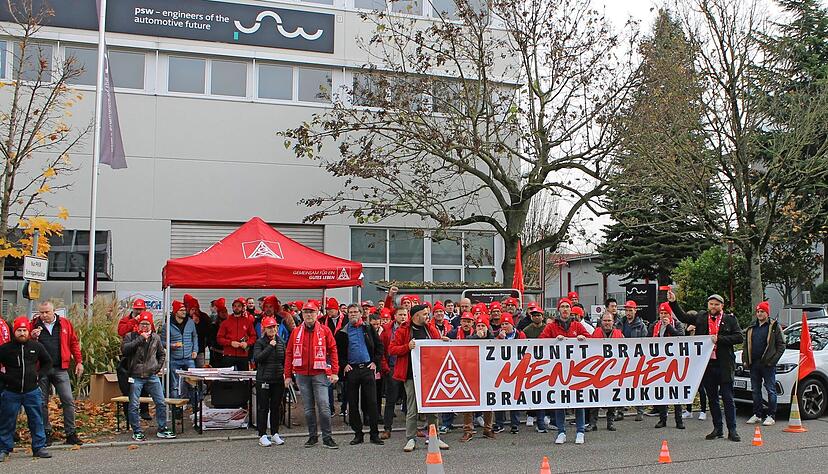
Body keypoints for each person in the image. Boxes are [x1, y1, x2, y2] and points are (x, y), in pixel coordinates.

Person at [668, 291, 743, 442]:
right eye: (711, 304)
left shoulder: (729, 320)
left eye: (716, 304)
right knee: (712, 398)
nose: (713, 307)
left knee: (727, 398)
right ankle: (717, 429)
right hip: (707, 365)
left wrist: (719, 339)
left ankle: (732, 430)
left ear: (722, 306)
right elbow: (683, 317)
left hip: (724, 365)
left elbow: (739, 337)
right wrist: (673, 302)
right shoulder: (701, 317)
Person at [388, 304, 448, 453]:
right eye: (425, 314)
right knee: (412, 408)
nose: (428, 316)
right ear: (416, 316)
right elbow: (392, 349)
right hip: (410, 375)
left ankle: (435, 437)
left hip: (429, 375)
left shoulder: (430, 328)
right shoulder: (403, 330)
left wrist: (443, 340)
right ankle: (410, 438)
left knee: (433, 408)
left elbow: (436, 343)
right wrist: (407, 347)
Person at [284, 301, 340, 449]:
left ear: (317, 314)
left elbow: (333, 350)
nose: (308, 315)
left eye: (312, 312)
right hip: (302, 374)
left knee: (324, 406)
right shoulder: (296, 332)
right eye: (306, 312)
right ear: (302, 315)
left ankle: (327, 437)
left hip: (320, 373)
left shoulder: (325, 330)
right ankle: (312, 436)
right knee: (308, 408)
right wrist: (288, 375)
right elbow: (289, 353)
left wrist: (334, 372)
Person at [30, 301, 83, 446]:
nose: (44, 315)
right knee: (42, 402)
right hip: (42, 370)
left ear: (54, 311)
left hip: (60, 368)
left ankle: (71, 433)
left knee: (68, 400)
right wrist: (32, 337)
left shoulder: (64, 324)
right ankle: (45, 433)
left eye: (47, 312)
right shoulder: (33, 325)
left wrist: (79, 361)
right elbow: (26, 345)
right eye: (41, 312)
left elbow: (73, 342)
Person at [0, 317, 53, 461]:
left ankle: (39, 447)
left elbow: (48, 362)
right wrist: (5, 379)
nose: (22, 333)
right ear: (14, 332)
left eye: (24, 330)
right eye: (19, 330)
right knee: (7, 421)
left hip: (32, 391)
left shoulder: (36, 347)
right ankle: (4, 449)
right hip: (11, 392)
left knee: (36, 419)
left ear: (28, 331)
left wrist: (39, 375)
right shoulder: (5, 349)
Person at [540, 298, 590, 444]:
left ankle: (580, 431)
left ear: (571, 309)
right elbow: (541, 340)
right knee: (560, 401)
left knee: (578, 400)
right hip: (558, 370)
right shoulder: (552, 327)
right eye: (562, 307)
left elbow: (591, 339)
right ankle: (561, 431)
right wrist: (554, 340)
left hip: (576, 370)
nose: (565, 309)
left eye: (567, 306)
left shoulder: (577, 325)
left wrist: (583, 338)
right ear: (559, 310)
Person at [335, 304, 385, 446]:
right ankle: (358, 434)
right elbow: (338, 352)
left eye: (355, 312)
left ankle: (374, 434)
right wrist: (344, 364)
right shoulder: (342, 333)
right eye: (350, 312)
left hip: (368, 369)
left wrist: (375, 362)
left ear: (361, 313)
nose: (353, 314)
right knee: (353, 403)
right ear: (347, 314)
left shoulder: (368, 328)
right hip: (352, 371)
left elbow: (380, 346)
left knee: (372, 402)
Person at [122, 312, 175, 441]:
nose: (144, 327)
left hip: (151, 375)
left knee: (161, 402)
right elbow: (125, 350)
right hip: (136, 375)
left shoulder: (156, 338)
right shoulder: (130, 336)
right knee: (134, 404)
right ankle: (137, 430)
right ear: (138, 325)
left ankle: (162, 428)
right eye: (142, 324)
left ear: (151, 325)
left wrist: (157, 368)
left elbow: (162, 354)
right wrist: (140, 338)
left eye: (147, 324)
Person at [743, 301, 785, 427]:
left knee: (771, 389)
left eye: (762, 311)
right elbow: (746, 345)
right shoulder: (751, 328)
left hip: (767, 364)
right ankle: (757, 414)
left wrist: (772, 361)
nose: (760, 314)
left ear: (767, 313)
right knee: (755, 390)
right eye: (758, 312)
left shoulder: (774, 326)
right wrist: (745, 359)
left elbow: (781, 345)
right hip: (754, 364)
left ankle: (771, 415)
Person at [460, 315, 496, 442]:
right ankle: (468, 430)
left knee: (489, 402)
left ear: (487, 328)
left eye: (483, 326)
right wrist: (477, 337)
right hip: (472, 374)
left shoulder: (493, 339)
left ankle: (488, 429)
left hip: (488, 375)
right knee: (469, 403)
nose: (480, 328)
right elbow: (465, 346)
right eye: (479, 326)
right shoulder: (470, 338)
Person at [650, 303, 685, 430]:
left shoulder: (677, 324)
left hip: (674, 362)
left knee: (676, 392)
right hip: (659, 363)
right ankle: (662, 419)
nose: (663, 316)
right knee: (662, 391)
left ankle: (679, 420)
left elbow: (680, 338)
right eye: (661, 313)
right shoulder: (655, 326)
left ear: (670, 315)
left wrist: (668, 326)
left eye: (666, 314)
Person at [253, 316, 286, 447]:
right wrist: (270, 347)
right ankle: (262, 434)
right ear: (264, 329)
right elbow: (257, 358)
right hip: (264, 379)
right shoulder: (260, 343)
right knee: (263, 408)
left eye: (274, 327)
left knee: (276, 407)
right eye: (269, 327)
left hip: (278, 379)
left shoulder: (281, 341)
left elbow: (284, 359)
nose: (272, 329)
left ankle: (275, 433)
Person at [588, 312, 623, 432]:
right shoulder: (595, 333)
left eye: (609, 321)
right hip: (598, 371)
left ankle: (610, 422)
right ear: (601, 321)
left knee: (612, 397)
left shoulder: (619, 334)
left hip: (613, 371)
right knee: (595, 397)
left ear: (613, 322)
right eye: (605, 320)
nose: (607, 323)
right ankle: (593, 423)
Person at [159, 300, 198, 409]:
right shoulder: (167, 325)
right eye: (181, 310)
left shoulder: (190, 322)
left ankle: (196, 408)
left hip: (189, 358)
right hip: (174, 358)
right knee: (174, 386)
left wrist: (195, 350)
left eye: (185, 310)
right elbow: (162, 342)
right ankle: (176, 410)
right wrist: (171, 345)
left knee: (193, 384)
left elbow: (195, 336)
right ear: (176, 311)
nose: (184, 312)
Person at [614, 300, 648, 421]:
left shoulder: (641, 325)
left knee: (637, 385)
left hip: (635, 359)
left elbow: (644, 342)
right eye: (627, 310)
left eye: (630, 310)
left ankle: (640, 410)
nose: (628, 312)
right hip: (622, 359)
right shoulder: (619, 324)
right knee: (621, 385)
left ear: (635, 311)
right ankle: (620, 411)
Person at [379, 306, 408, 439]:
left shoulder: (410, 329)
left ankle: (411, 428)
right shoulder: (386, 332)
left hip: (407, 368)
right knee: (391, 400)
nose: (403, 317)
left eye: (405, 315)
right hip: (392, 368)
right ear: (395, 316)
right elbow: (382, 351)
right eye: (400, 315)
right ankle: (387, 428)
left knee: (409, 400)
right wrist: (385, 368)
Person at [217, 297, 257, 371]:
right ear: (232, 307)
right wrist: (230, 343)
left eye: (239, 306)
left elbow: (253, 336)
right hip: (228, 354)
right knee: (227, 378)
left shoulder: (247, 322)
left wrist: (247, 343)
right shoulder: (225, 322)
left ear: (242, 308)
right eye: (235, 306)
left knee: (244, 379)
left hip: (243, 355)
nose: (237, 308)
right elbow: (219, 338)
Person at [183, 294, 211, 368]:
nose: (194, 311)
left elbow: (208, 332)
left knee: (200, 369)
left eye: (196, 309)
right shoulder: (184, 317)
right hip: (187, 350)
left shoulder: (204, 317)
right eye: (192, 309)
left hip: (200, 349)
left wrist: (198, 324)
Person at [208, 298, 229, 367]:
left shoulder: (231, 324)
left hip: (228, 352)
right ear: (219, 313)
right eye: (222, 312)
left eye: (225, 312)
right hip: (216, 352)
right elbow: (211, 339)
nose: (224, 314)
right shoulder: (213, 325)